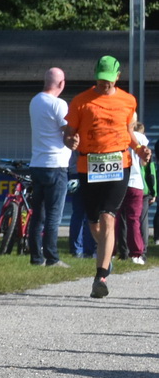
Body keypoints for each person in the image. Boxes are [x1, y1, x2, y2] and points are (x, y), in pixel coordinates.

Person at [63, 56, 142, 298]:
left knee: (109, 218)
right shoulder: (80, 101)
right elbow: (68, 133)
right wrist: (71, 141)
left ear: (117, 77)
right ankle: (106, 253)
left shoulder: (128, 101)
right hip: (89, 165)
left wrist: (139, 149)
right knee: (94, 222)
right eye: (100, 80)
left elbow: (128, 131)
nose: (104, 85)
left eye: (108, 81)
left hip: (119, 164)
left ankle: (101, 276)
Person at [27, 67, 72, 266]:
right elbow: (67, 132)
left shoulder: (35, 101)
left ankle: (36, 257)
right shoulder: (59, 104)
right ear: (61, 84)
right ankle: (52, 257)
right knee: (54, 215)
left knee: (37, 215)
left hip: (37, 163)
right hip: (56, 165)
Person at [116, 121, 150, 265]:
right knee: (134, 219)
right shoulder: (140, 138)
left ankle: (115, 251)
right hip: (135, 181)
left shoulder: (117, 135)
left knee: (116, 219)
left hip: (118, 180)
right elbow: (145, 161)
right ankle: (136, 253)